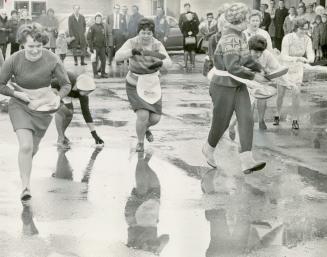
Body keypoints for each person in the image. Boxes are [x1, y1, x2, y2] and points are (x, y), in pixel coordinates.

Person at [0, 24, 71, 203]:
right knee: (25, 146)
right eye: (30, 46)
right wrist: (16, 94)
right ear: (22, 44)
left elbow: (66, 85)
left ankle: (24, 165)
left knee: (33, 149)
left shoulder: (52, 59)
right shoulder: (14, 60)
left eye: (39, 46)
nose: (35, 50)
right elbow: (1, 84)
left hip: (43, 106)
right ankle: (25, 187)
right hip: (20, 104)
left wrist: (58, 97)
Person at [202, 3, 267, 173]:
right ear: (241, 20)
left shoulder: (240, 35)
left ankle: (247, 159)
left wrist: (260, 68)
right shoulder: (230, 38)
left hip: (238, 84)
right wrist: (254, 75)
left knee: (246, 117)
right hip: (223, 85)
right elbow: (233, 66)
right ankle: (208, 148)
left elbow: (245, 59)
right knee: (221, 123)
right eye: (247, 18)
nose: (249, 21)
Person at [115, 18, 172, 152]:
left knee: (155, 118)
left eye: (149, 33)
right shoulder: (132, 42)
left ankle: (144, 129)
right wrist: (131, 52)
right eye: (143, 32)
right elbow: (117, 56)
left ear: (153, 33)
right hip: (134, 82)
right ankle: (140, 142)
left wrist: (161, 63)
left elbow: (169, 62)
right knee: (143, 115)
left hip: (152, 83)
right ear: (139, 32)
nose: (146, 35)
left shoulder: (157, 44)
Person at [124, 152, 169, 255]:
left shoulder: (134, 251)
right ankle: (145, 159)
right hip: (152, 209)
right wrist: (157, 248)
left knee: (142, 184)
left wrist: (145, 245)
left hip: (137, 217)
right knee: (151, 176)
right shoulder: (154, 252)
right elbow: (166, 237)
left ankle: (141, 151)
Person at [275, 18, 314, 129]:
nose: (304, 31)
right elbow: (284, 56)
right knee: (281, 95)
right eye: (302, 29)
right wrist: (298, 58)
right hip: (284, 67)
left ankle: (295, 119)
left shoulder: (307, 39)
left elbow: (311, 53)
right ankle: (277, 113)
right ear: (296, 27)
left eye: (306, 29)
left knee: (296, 94)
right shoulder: (288, 38)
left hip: (297, 69)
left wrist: (310, 59)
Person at [51, 70, 104, 148]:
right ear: (81, 87)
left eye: (89, 92)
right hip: (53, 88)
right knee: (62, 110)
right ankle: (60, 138)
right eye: (87, 92)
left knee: (70, 113)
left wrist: (94, 134)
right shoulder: (67, 81)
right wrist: (57, 97)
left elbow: (86, 113)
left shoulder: (83, 95)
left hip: (66, 93)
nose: (88, 94)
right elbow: (51, 84)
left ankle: (62, 135)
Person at [87, 12, 110, 79]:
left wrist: (106, 46)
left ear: (101, 19)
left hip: (102, 47)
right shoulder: (92, 27)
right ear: (95, 19)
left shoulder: (102, 26)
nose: (98, 20)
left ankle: (103, 73)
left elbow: (104, 37)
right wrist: (91, 47)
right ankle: (95, 74)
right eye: (97, 18)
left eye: (100, 18)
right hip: (95, 47)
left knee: (103, 60)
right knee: (94, 60)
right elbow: (89, 38)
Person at [178, 3, 200, 69]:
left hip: (193, 37)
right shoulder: (182, 17)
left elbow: (197, 27)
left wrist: (193, 33)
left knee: (192, 50)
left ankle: (192, 63)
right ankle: (185, 64)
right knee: (186, 50)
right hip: (186, 37)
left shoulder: (194, 16)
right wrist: (186, 34)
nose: (187, 8)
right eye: (186, 7)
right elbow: (181, 26)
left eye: (188, 7)